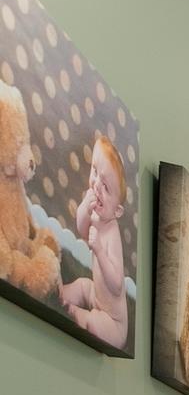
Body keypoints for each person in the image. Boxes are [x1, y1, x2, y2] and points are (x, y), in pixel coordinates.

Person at [59, 133, 127, 348]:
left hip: (113, 322)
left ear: (117, 211)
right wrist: (83, 210)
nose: (97, 185)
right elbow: (82, 231)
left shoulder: (112, 233)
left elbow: (117, 285)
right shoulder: (97, 213)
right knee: (82, 285)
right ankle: (60, 292)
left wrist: (99, 250)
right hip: (96, 296)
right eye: (95, 172)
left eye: (106, 187)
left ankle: (77, 314)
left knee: (96, 323)